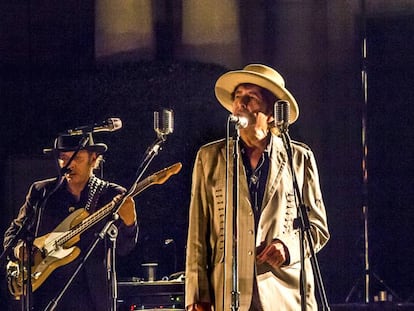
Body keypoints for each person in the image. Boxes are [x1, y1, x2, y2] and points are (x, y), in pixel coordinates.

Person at [185, 64, 330, 310]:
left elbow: (318, 228)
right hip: (227, 292)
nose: (240, 103)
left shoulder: (299, 158)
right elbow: (197, 232)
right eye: (237, 97)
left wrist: (287, 246)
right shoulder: (210, 157)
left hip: (284, 294)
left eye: (251, 98)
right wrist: (197, 296)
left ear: (272, 112)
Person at [3, 133, 138, 311]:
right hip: (46, 295)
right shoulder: (42, 192)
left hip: (92, 298)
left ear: (94, 159)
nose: (69, 164)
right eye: (63, 158)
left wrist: (130, 222)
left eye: (77, 158)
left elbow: (124, 248)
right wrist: (18, 248)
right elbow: (13, 233)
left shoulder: (110, 195)